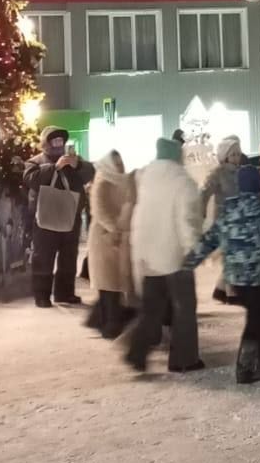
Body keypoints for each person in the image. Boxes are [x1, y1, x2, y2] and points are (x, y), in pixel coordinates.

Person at [184, 165, 260, 383]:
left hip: (235, 276)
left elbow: (210, 238)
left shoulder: (228, 211)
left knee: (258, 316)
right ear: (258, 185)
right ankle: (245, 368)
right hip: (257, 275)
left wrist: (191, 259)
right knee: (256, 320)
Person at [126, 137, 205, 372]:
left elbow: (139, 218)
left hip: (148, 255)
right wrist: (194, 249)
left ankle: (137, 352)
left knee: (152, 308)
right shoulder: (183, 182)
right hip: (175, 257)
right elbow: (187, 222)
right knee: (184, 309)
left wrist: (139, 251)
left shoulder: (145, 179)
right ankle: (183, 359)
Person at [23, 126, 95, 309]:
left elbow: (90, 173)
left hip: (70, 215)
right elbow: (31, 179)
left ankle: (65, 293)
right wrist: (54, 167)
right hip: (45, 217)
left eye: (60, 141)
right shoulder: (35, 161)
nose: (58, 145)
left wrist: (76, 165)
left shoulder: (74, 161)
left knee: (69, 256)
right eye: (54, 141)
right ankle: (42, 295)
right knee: (43, 257)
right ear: (46, 143)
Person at [84, 151, 136, 339]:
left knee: (114, 284)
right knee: (109, 285)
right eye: (116, 162)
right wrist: (113, 229)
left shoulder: (123, 180)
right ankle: (110, 325)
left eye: (121, 161)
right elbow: (99, 209)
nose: (120, 165)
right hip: (104, 239)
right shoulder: (102, 181)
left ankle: (100, 319)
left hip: (118, 238)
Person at [201, 135, 244, 305]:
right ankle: (232, 293)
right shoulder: (217, 173)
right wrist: (201, 209)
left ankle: (220, 289)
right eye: (233, 154)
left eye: (238, 154)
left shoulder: (241, 173)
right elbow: (204, 192)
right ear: (224, 155)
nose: (236, 157)